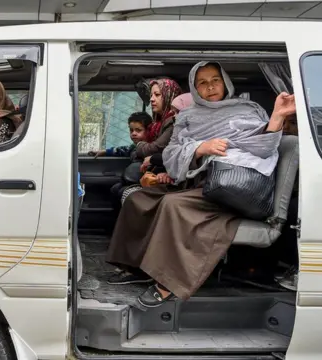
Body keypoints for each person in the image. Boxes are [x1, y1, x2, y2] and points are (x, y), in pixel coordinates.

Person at [105, 61, 296, 309]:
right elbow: (172, 152)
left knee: (173, 205)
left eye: (215, 79)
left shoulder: (249, 110)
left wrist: (277, 117)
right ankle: (135, 268)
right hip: (195, 181)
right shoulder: (187, 117)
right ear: (195, 89)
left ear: (225, 81)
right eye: (202, 83)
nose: (210, 87)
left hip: (231, 188)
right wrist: (198, 148)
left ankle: (168, 283)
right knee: (137, 198)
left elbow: (265, 148)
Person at [140, 93, 195, 186]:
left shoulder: (197, 133)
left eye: (157, 94)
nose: (173, 116)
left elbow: (181, 157)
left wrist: (152, 158)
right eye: (173, 112)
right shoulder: (177, 130)